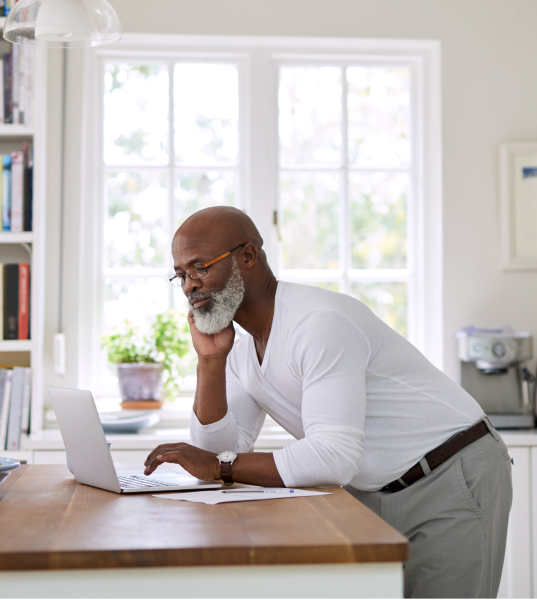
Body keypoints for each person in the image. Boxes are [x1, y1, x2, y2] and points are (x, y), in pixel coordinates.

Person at [144, 207, 513, 598]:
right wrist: (210, 361)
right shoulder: (236, 344)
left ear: (247, 257)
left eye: (200, 267)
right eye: (181, 274)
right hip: (371, 490)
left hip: (448, 473)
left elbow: (331, 456)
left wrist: (218, 466)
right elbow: (216, 455)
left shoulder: (318, 322)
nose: (189, 286)